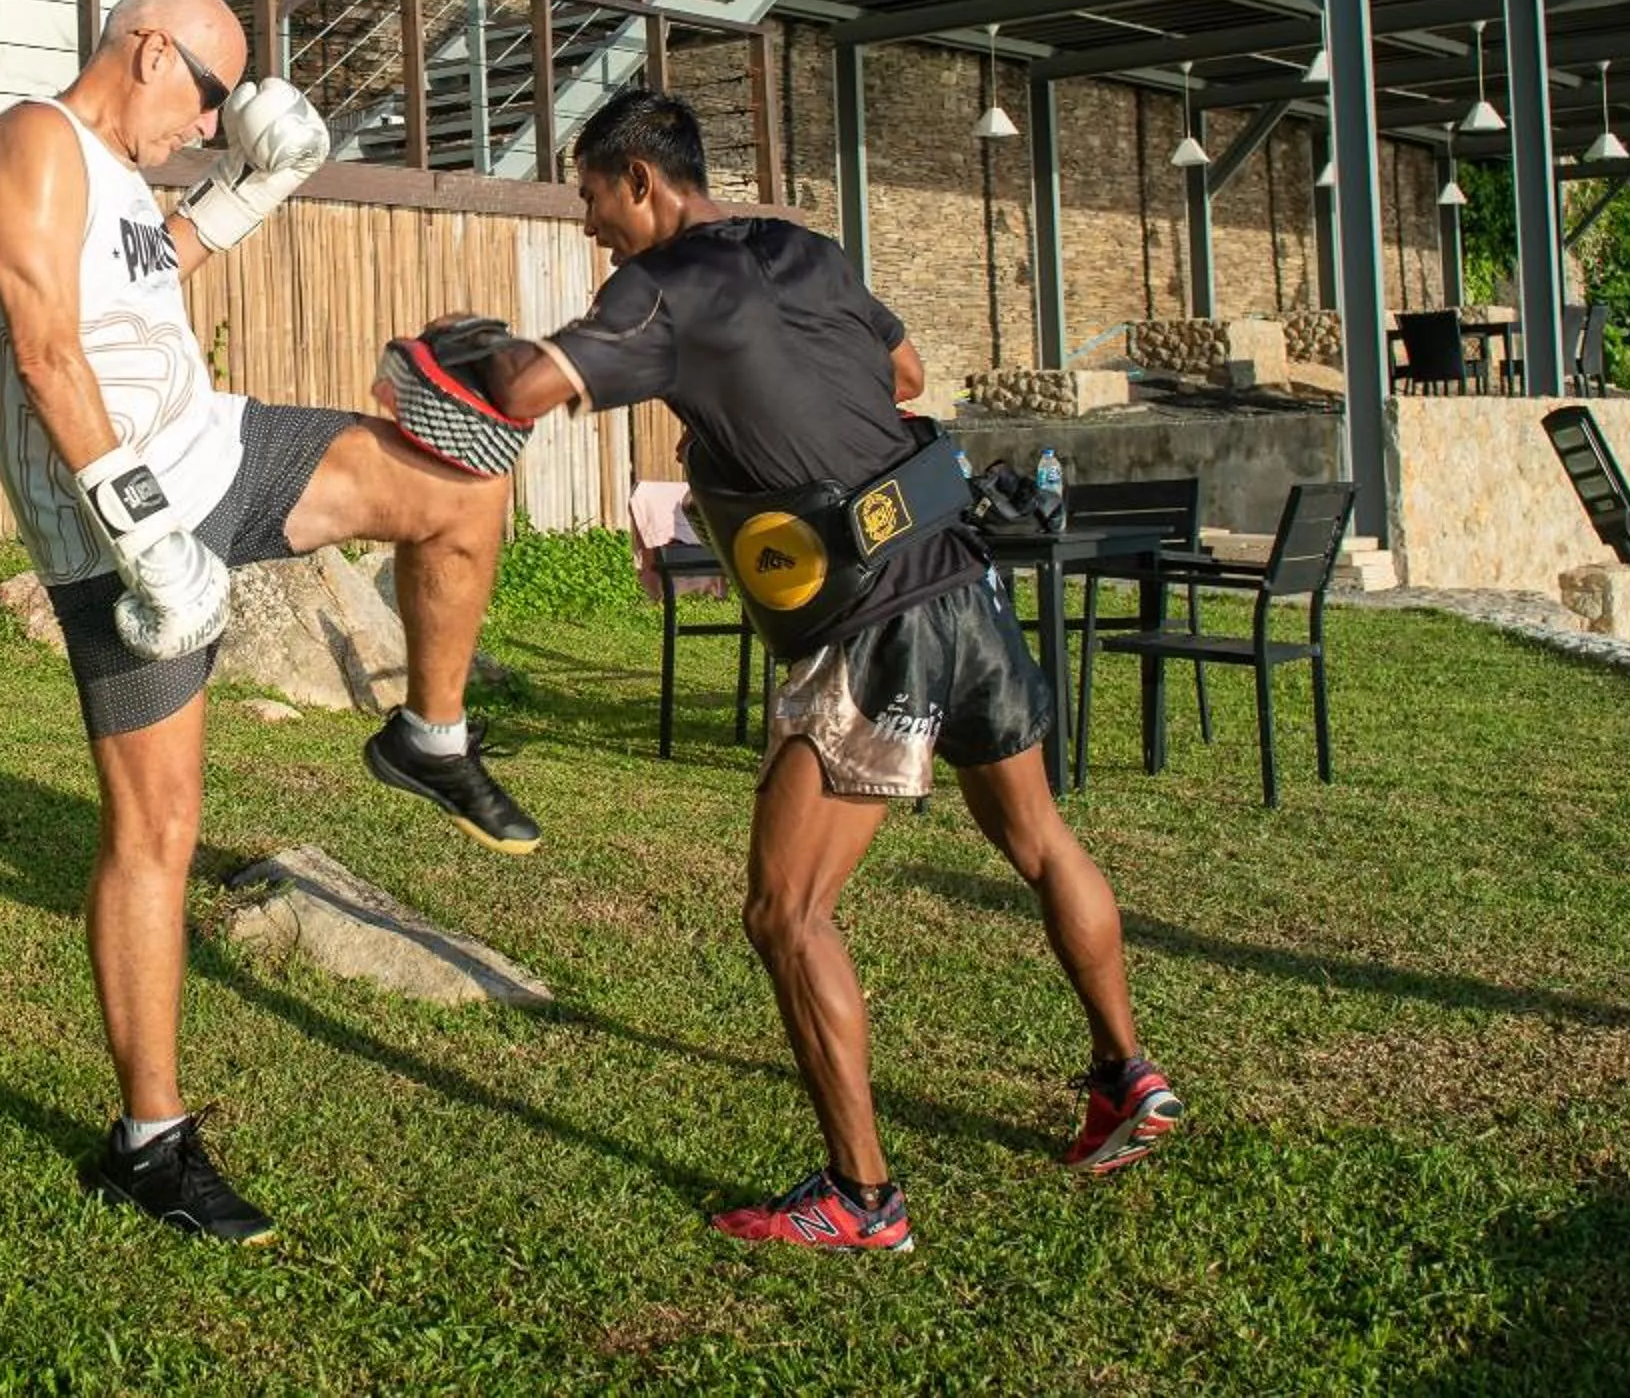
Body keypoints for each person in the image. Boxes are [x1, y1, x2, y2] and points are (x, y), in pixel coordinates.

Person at [468, 87, 1182, 1251]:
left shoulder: (660, 287)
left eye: (593, 199)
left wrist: (468, 347)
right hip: (962, 578)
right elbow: (901, 372)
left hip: (872, 622)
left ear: (642, 183)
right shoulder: (807, 248)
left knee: (786, 910)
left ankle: (863, 1198)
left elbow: (524, 392)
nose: (592, 225)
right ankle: (1127, 1075)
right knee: (1041, 840)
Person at [0, 0, 539, 1245]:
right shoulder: (31, 141)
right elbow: (46, 350)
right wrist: (139, 537)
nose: (209, 128)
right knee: (156, 832)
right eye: (210, 103)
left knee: (459, 487)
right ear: (152, 47)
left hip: (225, 452)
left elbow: (154, 264)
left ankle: (428, 735)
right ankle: (151, 1144)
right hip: (122, 538)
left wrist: (260, 186)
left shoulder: (113, 174)